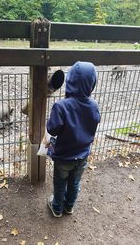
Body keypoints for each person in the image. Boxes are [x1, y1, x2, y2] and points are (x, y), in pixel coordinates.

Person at [47, 61, 101, 218]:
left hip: (63, 156)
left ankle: (57, 207)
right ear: (92, 83)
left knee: (60, 183)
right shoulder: (94, 105)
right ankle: (69, 206)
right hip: (82, 155)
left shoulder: (61, 106)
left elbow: (52, 129)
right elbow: (95, 122)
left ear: (69, 81)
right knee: (74, 183)